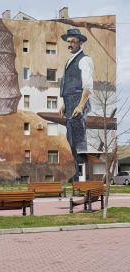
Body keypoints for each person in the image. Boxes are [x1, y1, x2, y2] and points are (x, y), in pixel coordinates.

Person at [60, 28, 94, 182]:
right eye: (69, 42)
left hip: (78, 105)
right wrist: (64, 104)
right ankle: (79, 173)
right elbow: (68, 85)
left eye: (73, 41)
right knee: (71, 139)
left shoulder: (84, 60)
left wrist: (80, 106)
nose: (70, 44)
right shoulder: (69, 61)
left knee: (79, 142)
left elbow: (87, 86)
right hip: (70, 105)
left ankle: (83, 177)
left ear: (80, 42)